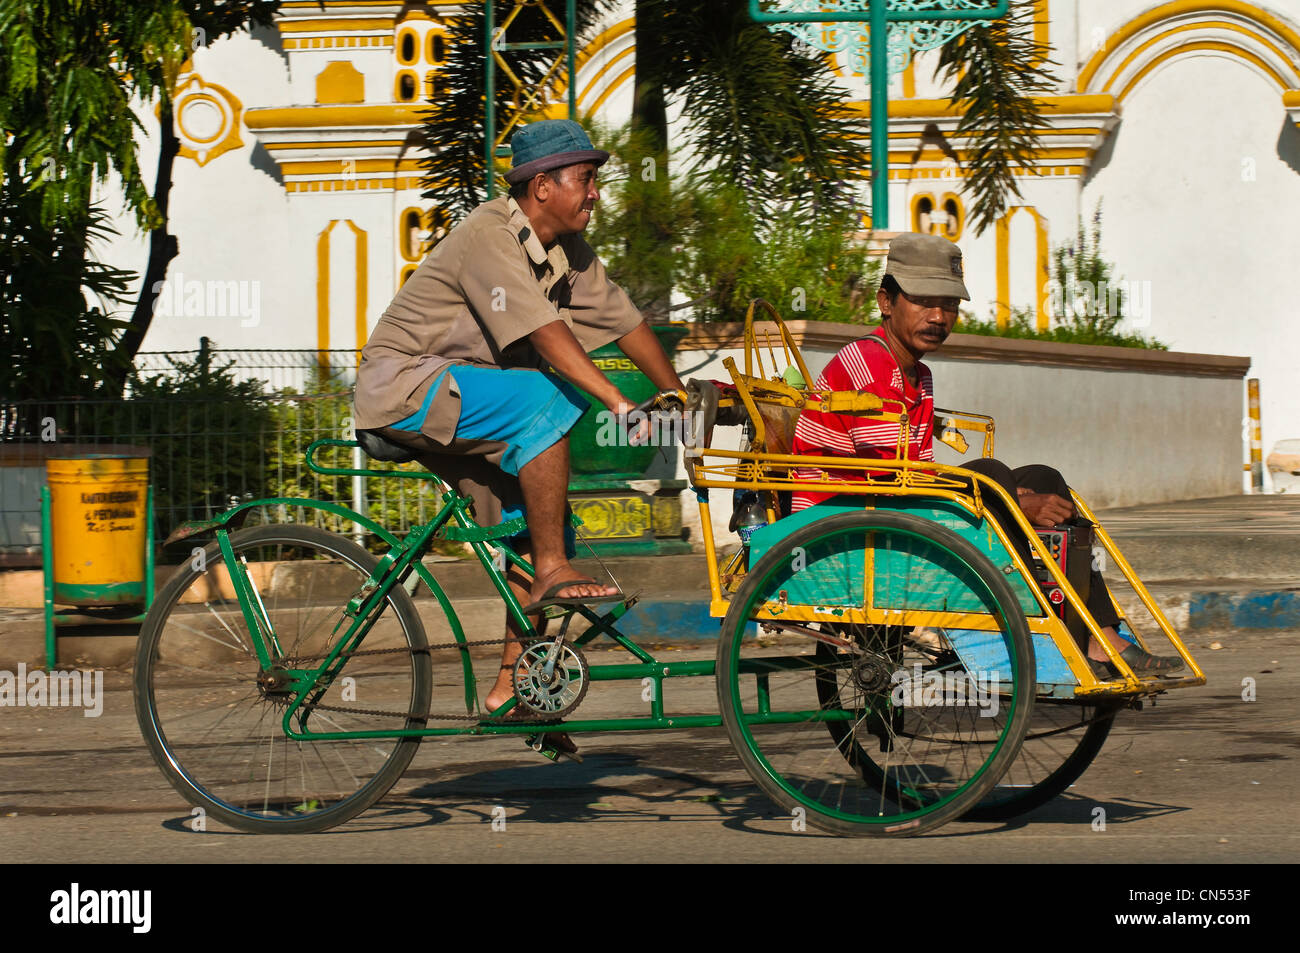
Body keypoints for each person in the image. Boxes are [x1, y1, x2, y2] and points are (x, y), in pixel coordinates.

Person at [353, 120, 683, 734]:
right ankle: (553, 570)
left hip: (465, 395)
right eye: (585, 180)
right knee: (542, 398)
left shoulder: (568, 254)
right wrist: (616, 399)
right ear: (540, 186)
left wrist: (673, 392)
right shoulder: (489, 235)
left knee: (537, 523)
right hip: (408, 386)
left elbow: (625, 321)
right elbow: (543, 333)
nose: (594, 194)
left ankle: (512, 684)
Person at [790, 232, 1182, 678]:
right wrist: (1010, 499)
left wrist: (1015, 495)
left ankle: (1099, 633)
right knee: (993, 477)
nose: (939, 316)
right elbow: (895, 478)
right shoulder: (868, 363)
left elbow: (909, 476)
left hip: (887, 508)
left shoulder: (918, 374)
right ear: (886, 301)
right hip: (846, 524)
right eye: (923, 301)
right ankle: (1064, 630)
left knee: (1044, 477)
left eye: (950, 305)